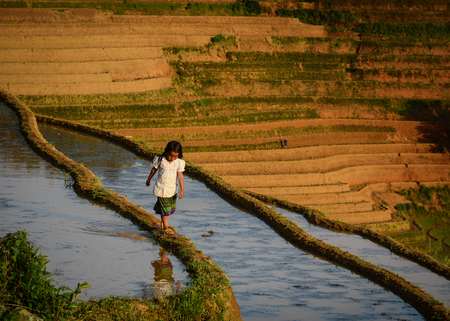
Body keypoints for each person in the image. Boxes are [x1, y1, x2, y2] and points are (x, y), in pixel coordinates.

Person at [146, 141, 185, 235]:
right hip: (161, 187)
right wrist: (149, 179)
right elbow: (154, 169)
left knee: (168, 207)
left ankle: (164, 224)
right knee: (165, 208)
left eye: (175, 156)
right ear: (166, 152)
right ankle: (166, 227)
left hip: (172, 189)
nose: (172, 158)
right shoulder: (160, 159)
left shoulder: (179, 163)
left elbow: (180, 176)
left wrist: (182, 189)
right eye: (170, 156)